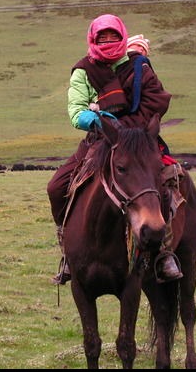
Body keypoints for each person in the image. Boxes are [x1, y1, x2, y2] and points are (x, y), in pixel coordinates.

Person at [47, 14, 182, 285]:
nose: (108, 42)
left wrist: (130, 129)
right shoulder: (83, 71)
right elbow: (76, 113)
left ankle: (163, 253)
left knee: (165, 184)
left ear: (122, 37)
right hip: (99, 139)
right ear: (92, 39)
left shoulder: (138, 66)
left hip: (140, 140)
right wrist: (102, 121)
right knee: (56, 187)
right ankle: (68, 252)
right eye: (102, 37)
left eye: (113, 37)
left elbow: (156, 101)